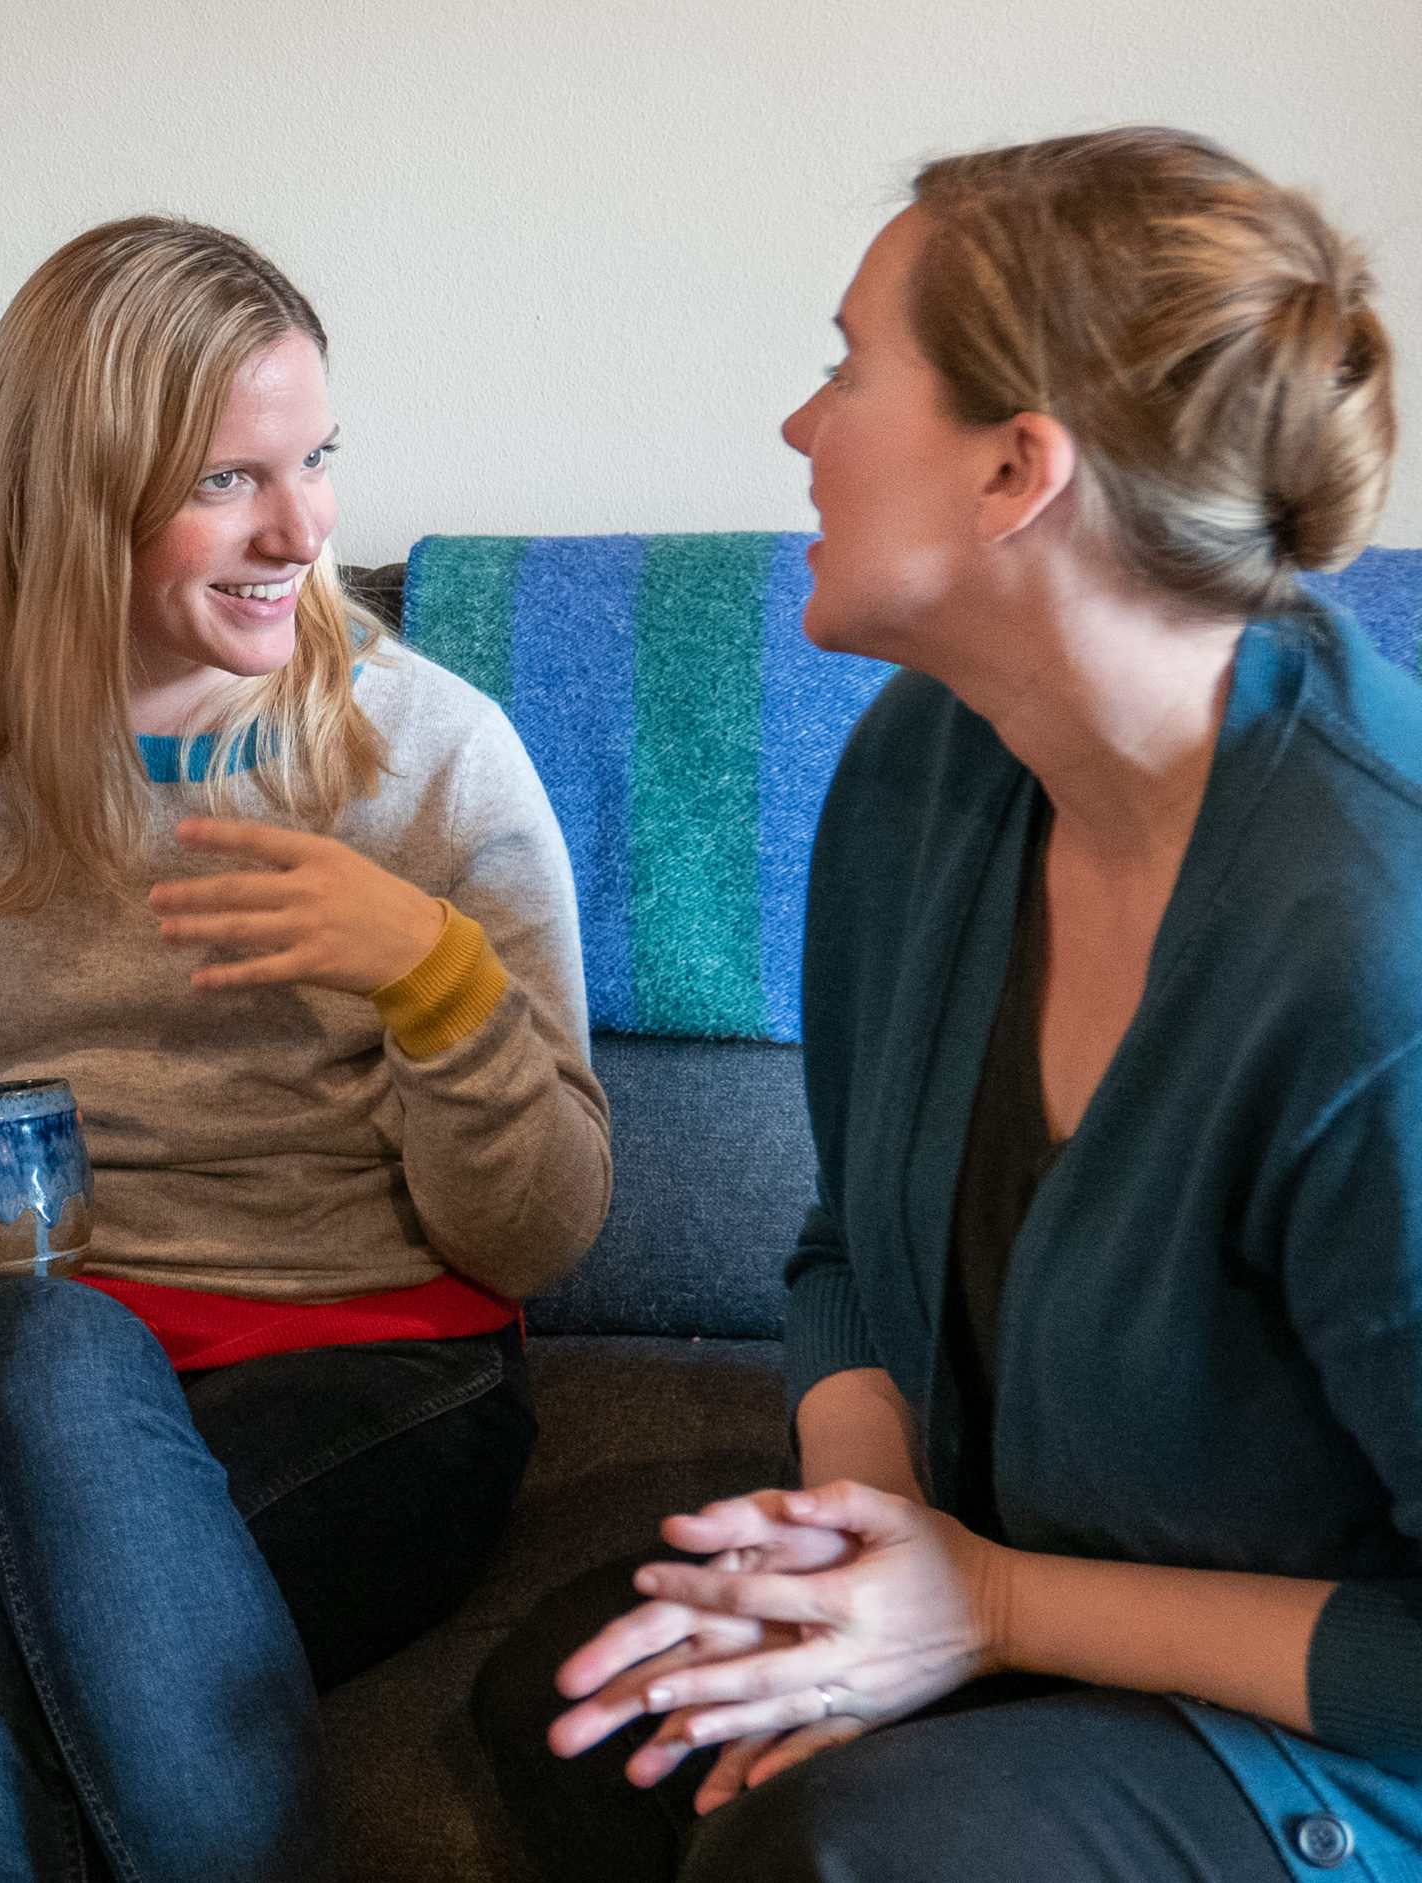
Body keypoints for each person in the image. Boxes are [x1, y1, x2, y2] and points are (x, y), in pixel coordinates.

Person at [472, 128, 1405, 1882]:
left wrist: (979, 1603)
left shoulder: (1376, 953)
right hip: (1016, 1603)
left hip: (1339, 1743)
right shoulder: (925, 770)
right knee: (595, 1711)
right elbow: (850, 1247)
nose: (801, 429)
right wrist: (869, 1542)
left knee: (841, 1847)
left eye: (846, 367)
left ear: (1014, 473)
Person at [0, 215, 612, 1882]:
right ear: (73, 501)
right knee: (62, 1349)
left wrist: (432, 980)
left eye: (319, 460)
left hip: (371, 1380)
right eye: (231, 480)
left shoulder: (435, 763)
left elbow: (541, 1235)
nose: (306, 531)